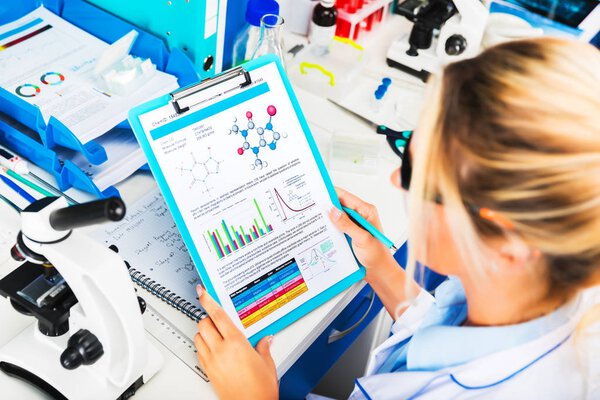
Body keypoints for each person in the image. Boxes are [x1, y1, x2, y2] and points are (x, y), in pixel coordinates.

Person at [192, 37, 600, 399]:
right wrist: (382, 268)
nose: (394, 179)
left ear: (506, 242)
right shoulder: (550, 282)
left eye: (417, 174)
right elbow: (442, 331)